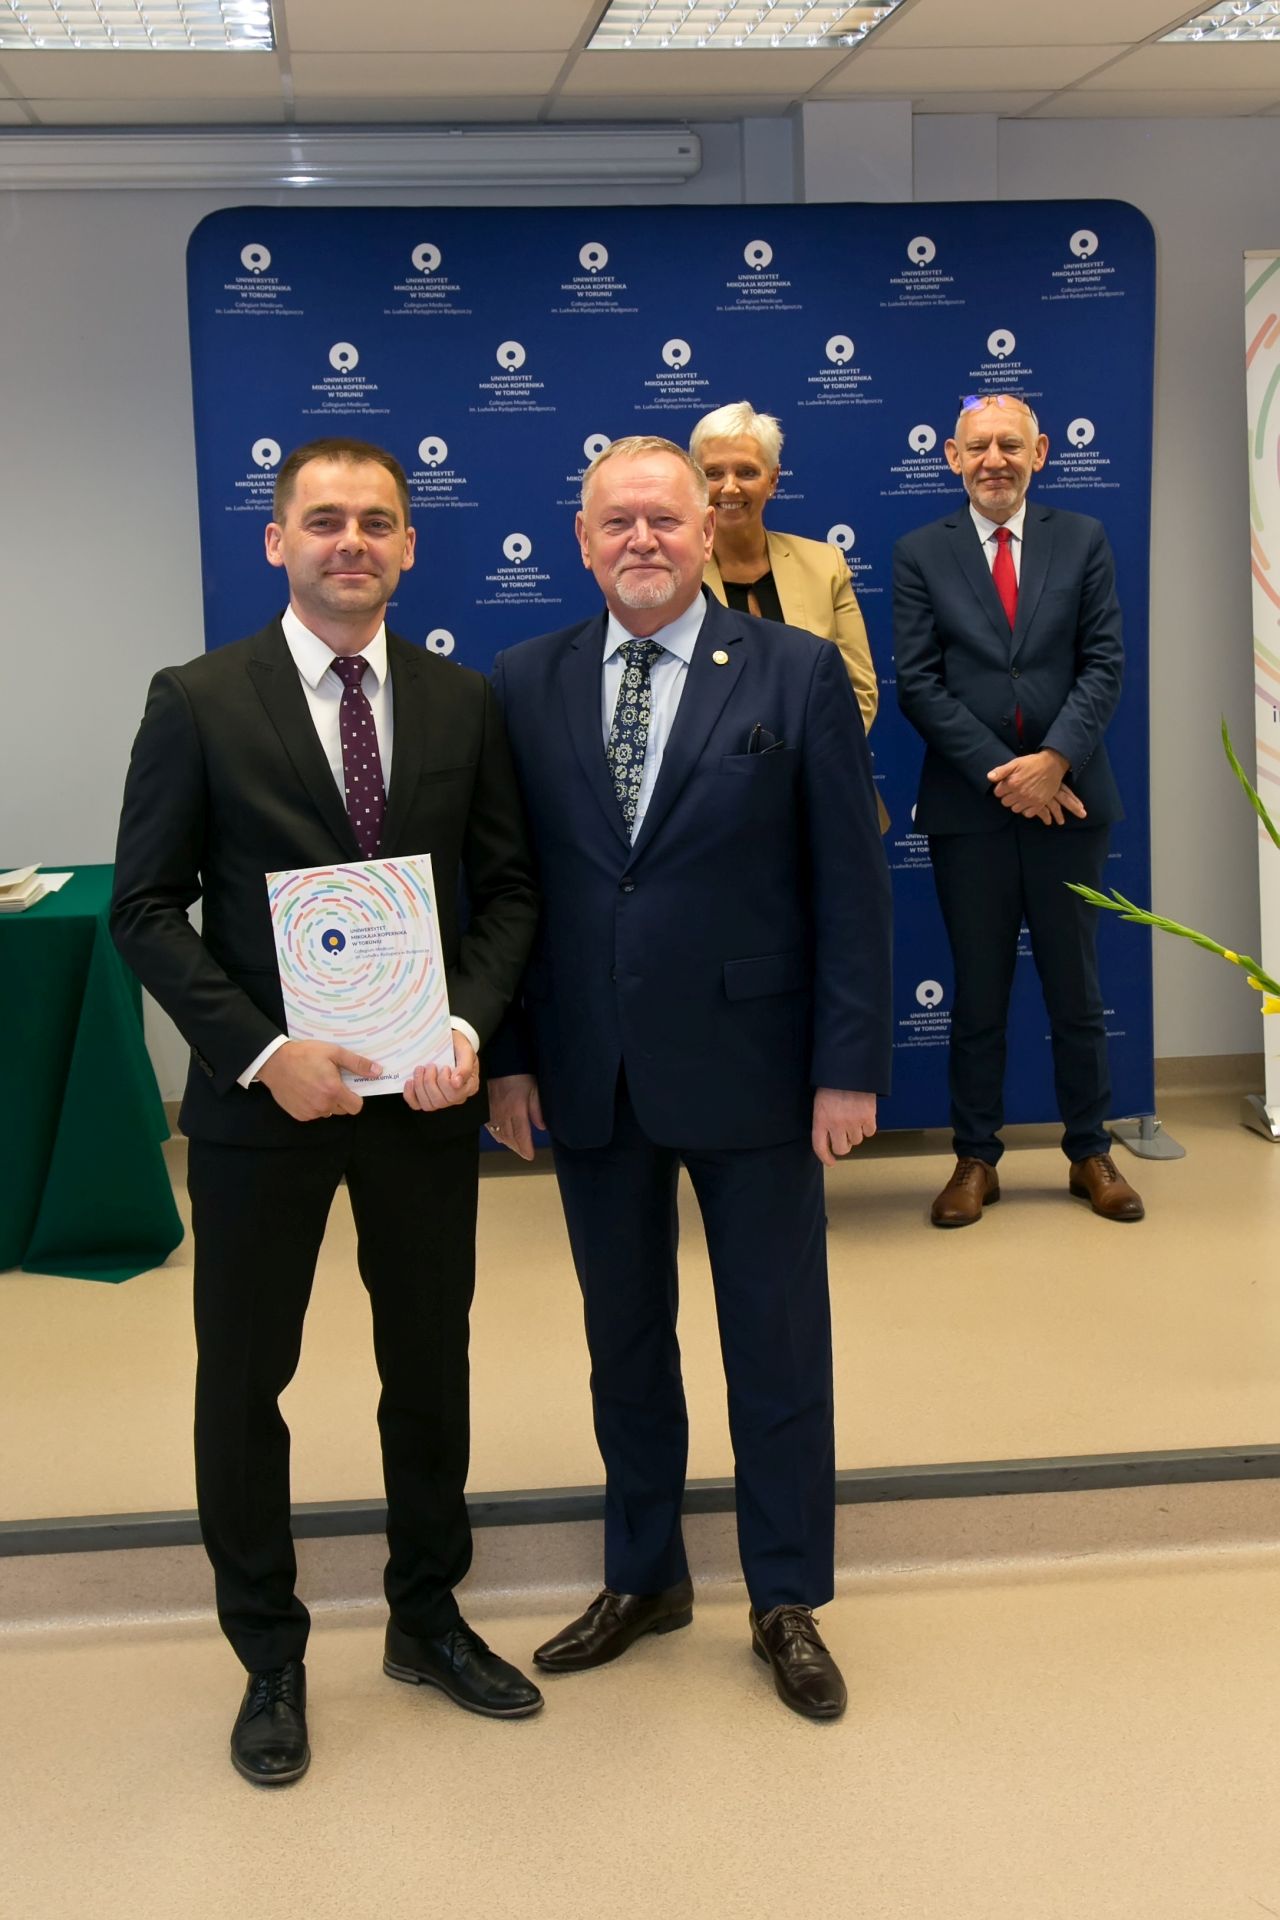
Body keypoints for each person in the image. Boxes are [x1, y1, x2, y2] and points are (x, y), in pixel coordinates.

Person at [110, 437, 543, 1787]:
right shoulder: (197, 700)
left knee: (428, 1365)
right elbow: (144, 908)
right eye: (324, 520)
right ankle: (269, 1655)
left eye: (375, 521)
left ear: (410, 546)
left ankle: (427, 1616)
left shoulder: (462, 702)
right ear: (276, 541)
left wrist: (464, 1028)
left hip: (421, 1101)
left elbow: (509, 891)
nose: (350, 541)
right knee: (246, 1382)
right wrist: (260, 1051)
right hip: (265, 1111)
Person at [485, 435, 892, 1720]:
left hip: (757, 1071)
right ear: (581, 540)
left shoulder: (793, 670)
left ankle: (785, 1598)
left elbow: (849, 886)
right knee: (623, 1343)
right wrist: (509, 1059)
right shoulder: (522, 680)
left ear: (707, 532)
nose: (643, 540)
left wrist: (846, 1067)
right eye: (617, 521)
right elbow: (508, 889)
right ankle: (644, 1576)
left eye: (665, 518)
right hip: (590, 1072)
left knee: (775, 1343)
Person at [893, 393, 1144, 1229]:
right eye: (978, 446)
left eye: (1010, 444)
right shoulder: (919, 552)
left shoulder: (1084, 539)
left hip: (1071, 802)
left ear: (1040, 452)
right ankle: (976, 1158)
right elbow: (919, 683)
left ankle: (1090, 1150)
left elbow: (1104, 662)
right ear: (952, 457)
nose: (994, 459)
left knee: (1077, 989)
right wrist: (1009, 775)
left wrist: (1055, 761)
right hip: (971, 808)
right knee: (978, 992)